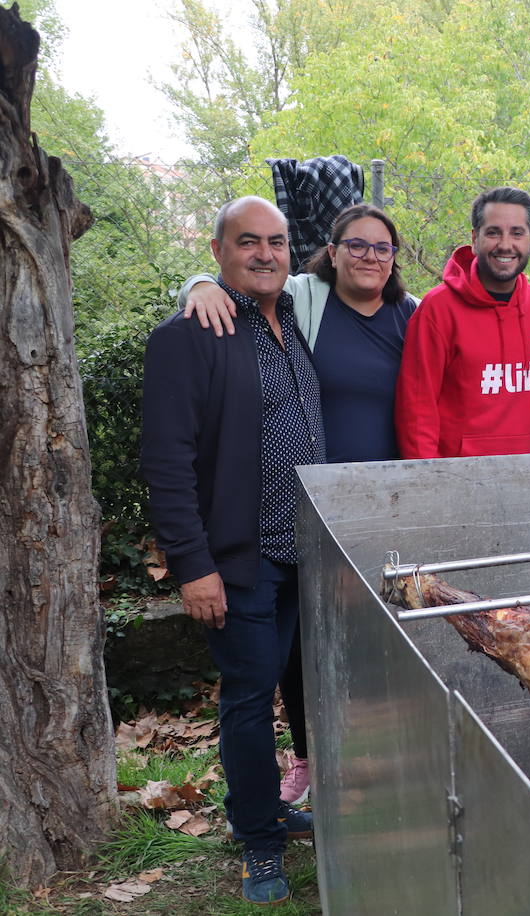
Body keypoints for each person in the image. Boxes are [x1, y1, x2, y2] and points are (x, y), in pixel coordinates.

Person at [178, 202, 418, 806]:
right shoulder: (304, 299)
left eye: (382, 248)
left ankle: (372, 765)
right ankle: (310, 763)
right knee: (296, 655)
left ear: (395, 259)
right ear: (330, 251)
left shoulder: (411, 315)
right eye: (356, 245)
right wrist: (198, 283)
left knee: (372, 645)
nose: (370, 257)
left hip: (381, 510)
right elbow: (244, 278)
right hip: (301, 517)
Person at [142, 197, 320, 905]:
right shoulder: (192, 333)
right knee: (248, 703)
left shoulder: (290, 323)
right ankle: (260, 844)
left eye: (276, 243)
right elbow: (167, 461)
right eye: (249, 242)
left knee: (291, 692)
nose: (266, 254)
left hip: (301, 554)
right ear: (218, 250)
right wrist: (194, 566)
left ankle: (271, 810)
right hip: (239, 560)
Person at [395, 187, 530, 458]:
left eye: (517, 233)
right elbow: (418, 409)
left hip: (528, 476)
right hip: (457, 482)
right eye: (493, 232)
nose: (505, 244)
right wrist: (425, 482)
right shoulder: (438, 309)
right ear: (475, 239)